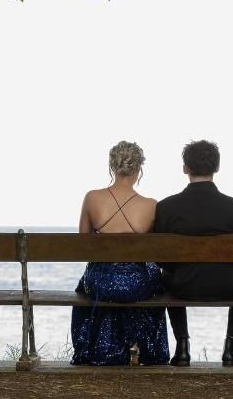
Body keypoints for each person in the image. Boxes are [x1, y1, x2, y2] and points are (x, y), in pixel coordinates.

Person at [154, 140, 233, 367]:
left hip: (182, 287)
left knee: (164, 276)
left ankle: (182, 347)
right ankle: (231, 347)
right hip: (226, 287)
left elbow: (159, 259)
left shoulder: (166, 207)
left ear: (185, 168)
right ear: (217, 168)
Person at [70, 141, 170, 366]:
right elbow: (154, 253)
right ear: (139, 170)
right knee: (152, 283)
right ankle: (141, 349)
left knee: (92, 284)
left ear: (112, 167)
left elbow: (83, 245)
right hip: (138, 283)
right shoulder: (151, 205)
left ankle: (104, 348)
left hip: (101, 281)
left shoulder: (92, 198)